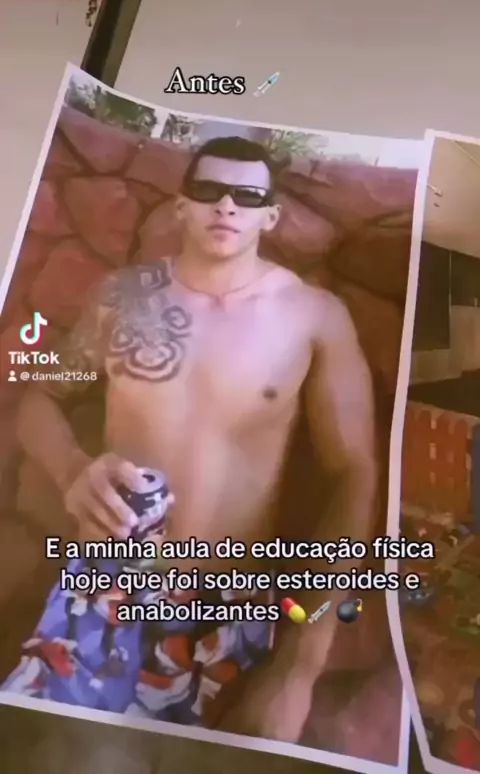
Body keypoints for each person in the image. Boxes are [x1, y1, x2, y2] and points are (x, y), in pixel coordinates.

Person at [6, 137, 377, 743]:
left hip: (229, 606)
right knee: (48, 753)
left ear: (270, 216)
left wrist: (301, 666)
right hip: (107, 585)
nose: (226, 205)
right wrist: (71, 469)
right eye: (208, 190)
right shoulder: (122, 297)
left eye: (247, 196)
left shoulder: (314, 315)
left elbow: (354, 475)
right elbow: (38, 398)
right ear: (181, 207)